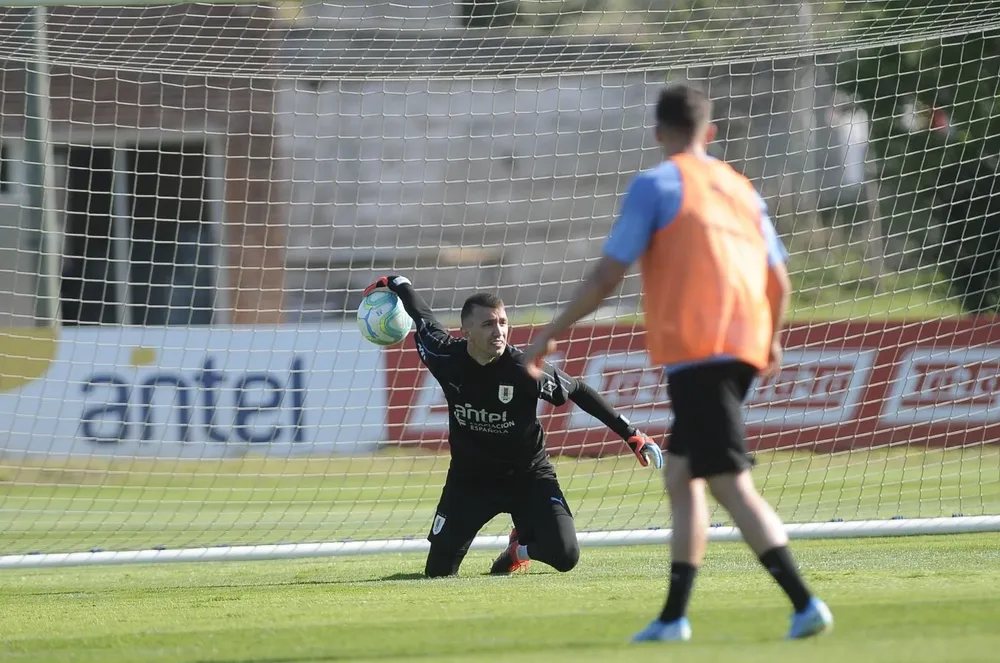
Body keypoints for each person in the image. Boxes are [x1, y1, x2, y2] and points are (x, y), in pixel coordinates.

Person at [521, 84, 833, 641]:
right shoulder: (740, 187)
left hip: (701, 353)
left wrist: (548, 335)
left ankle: (805, 602)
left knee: (730, 486)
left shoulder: (656, 184)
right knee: (684, 476)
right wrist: (773, 341)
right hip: (741, 348)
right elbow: (778, 280)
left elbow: (606, 276)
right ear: (709, 134)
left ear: (658, 133)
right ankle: (672, 618)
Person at [363, 275, 664, 578]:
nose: (499, 332)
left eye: (503, 323)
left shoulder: (524, 368)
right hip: (470, 482)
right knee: (438, 574)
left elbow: (578, 390)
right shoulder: (444, 356)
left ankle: (517, 550)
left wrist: (630, 433)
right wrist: (397, 282)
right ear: (467, 331)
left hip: (528, 477)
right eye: (488, 325)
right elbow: (423, 316)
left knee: (565, 555)